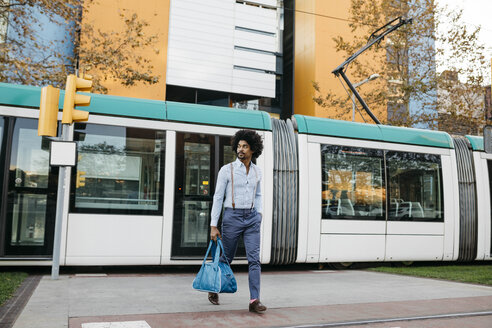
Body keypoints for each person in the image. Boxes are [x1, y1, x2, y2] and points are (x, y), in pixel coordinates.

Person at [208, 129, 267, 313]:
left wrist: (259, 214)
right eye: (239, 146)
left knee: (254, 260)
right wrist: (213, 225)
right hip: (232, 217)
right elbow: (218, 197)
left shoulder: (257, 172)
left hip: (251, 219)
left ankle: (254, 300)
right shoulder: (227, 170)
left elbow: (258, 195)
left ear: (253, 149)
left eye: (245, 146)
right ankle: (213, 288)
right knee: (226, 258)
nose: (240, 149)